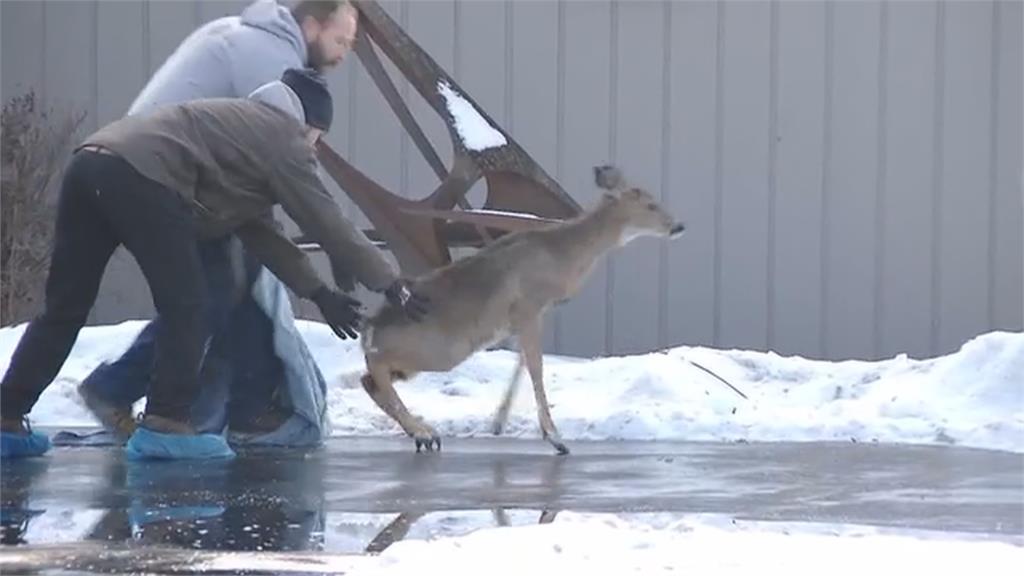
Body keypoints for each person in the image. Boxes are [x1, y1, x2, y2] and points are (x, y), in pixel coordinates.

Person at [0, 68, 428, 460]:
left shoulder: (239, 130)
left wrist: (318, 293)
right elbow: (326, 219)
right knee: (189, 306)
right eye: (318, 137)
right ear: (311, 126)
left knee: (63, 309)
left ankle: (7, 417)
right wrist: (391, 283)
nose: (315, 147)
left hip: (90, 165)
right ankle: (166, 422)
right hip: (144, 179)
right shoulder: (283, 137)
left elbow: (263, 234)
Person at [74, 0, 364, 446]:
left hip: (160, 171)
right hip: (170, 181)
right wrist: (341, 248)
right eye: (340, 39)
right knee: (210, 293)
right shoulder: (276, 63)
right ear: (311, 26)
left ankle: (241, 406)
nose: (345, 52)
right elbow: (291, 166)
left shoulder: (242, 34)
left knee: (230, 287)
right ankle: (142, 397)